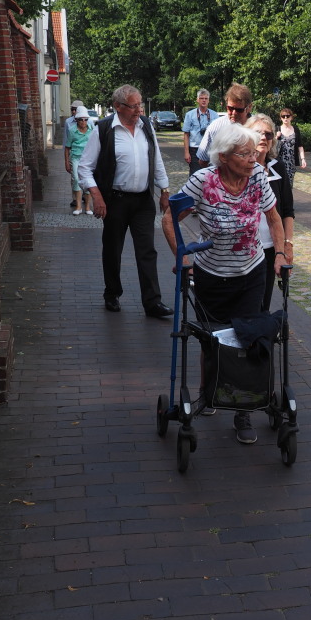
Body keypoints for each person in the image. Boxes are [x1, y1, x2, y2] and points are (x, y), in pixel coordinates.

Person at [163, 122, 289, 444]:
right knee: (212, 339)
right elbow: (168, 219)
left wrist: (279, 254)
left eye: (252, 153)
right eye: (244, 154)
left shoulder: (257, 176)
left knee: (245, 339)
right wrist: (182, 257)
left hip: (251, 272)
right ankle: (209, 392)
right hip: (211, 275)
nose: (252, 159)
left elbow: (274, 218)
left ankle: (242, 411)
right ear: (224, 157)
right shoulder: (203, 181)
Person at [77, 84, 174, 318]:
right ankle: (112, 293)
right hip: (115, 200)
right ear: (118, 106)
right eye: (133, 106)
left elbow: (157, 160)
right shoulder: (103, 129)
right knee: (113, 250)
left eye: (140, 105)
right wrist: (97, 196)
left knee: (147, 251)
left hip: (143, 200)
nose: (138, 110)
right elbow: (84, 168)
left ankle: (152, 302)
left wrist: (164, 190)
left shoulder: (146, 126)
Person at [246, 114, 295, 309]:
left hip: (269, 247)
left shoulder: (277, 168)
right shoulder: (241, 168)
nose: (263, 138)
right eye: (258, 133)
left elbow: (288, 210)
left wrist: (286, 246)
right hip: (244, 249)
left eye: (268, 134)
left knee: (263, 303)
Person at [196, 83, 253, 164]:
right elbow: (203, 160)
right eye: (230, 108)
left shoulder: (258, 127)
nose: (234, 113)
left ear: (249, 107)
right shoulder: (215, 127)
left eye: (239, 110)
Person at [65, 107, 94, 215]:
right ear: (76, 120)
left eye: (86, 119)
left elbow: (96, 145)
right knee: (76, 179)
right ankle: (78, 206)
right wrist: (66, 162)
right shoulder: (72, 130)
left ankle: (87, 207)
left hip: (88, 159)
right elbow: (67, 147)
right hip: (75, 157)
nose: (83, 121)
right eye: (81, 119)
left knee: (88, 180)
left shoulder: (92, 129)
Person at [182, 89, 218, 172]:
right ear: (197, 100)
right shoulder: (190, 115)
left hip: (210, 150)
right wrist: (186, 152)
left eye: (206, 98)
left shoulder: (214, 115)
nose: (204, 100)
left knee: (210, 175)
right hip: (195, 150)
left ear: (209, 100)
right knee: (195, 174)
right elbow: (186, 134)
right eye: (201, 98)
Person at [275, 108, 306, 185]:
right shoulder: (277, 129)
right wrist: (276, 137)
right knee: (280, 183)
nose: (285, 118)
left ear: (291, 117)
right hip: (280, 161)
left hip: (291, 162)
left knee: (289, 184)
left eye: (287, 116)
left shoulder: (295, 130)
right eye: (283, 116)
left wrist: (303, 159)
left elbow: (300, 146)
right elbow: (271, 144)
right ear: (281, 118)